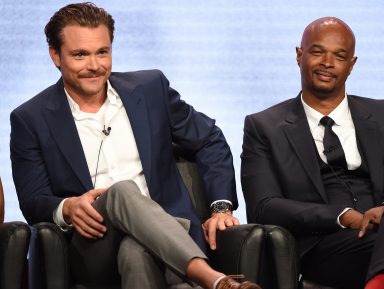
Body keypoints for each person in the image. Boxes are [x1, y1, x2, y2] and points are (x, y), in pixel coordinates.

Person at [10, 3, 261, 289]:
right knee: (122, 191)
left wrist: (220, 207)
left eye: (102, 52)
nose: (94, 66)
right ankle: (212, 279)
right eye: (80, 55)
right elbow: (33, 200)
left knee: (135, 249)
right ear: (55, 55)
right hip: (93, 246)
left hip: (169, 235)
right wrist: (67, 207)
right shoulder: (30, 119)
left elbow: (209, 138)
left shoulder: (150, 88)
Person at [241, 17, 384, 289]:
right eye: (317, 52)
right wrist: (343, 216)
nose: (328, 62)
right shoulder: (264, 126)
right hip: (327, 244)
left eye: (340, 56)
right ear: (299, 55)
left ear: (352, 65)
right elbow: (264, 207)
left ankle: (382, 281)